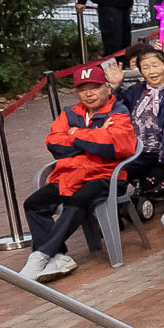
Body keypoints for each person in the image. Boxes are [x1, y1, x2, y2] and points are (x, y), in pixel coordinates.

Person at [23, 62, 138, 280]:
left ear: (106, 87)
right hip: (72, 174)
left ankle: (41, 254)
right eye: (82, 89)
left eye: (94, 87)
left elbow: (114, 148)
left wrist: (75, 135)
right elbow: (55, 144)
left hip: (108, 176)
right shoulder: (69, 113)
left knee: (79, 198)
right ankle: (59, 256)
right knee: (33, 204)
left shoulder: (119, 111)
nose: (88, 94)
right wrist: (93, 136)